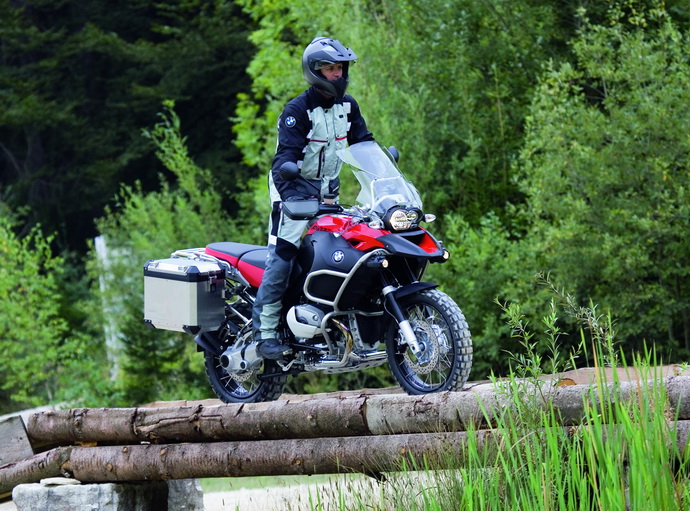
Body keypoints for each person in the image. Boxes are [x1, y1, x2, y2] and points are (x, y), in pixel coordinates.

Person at [252, 36, 375, 360]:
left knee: (342, 250)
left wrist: (382, 175)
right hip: (292, 188)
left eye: (340, 68)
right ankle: (265, 333)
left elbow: (365, 145)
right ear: (315, 71)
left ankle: (333, 322)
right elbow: (283, 162)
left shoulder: (348, 107)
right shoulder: (297, 110)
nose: (338, 74)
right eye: (331, 69)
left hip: (328, 192)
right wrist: (296, 201)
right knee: (284, 254)